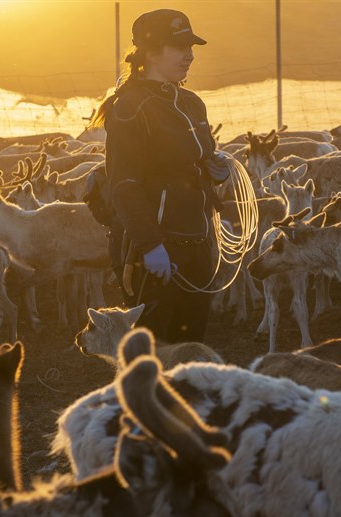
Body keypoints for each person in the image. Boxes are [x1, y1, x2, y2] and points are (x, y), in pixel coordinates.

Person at [87, 9, 222, 343]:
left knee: (190, 349)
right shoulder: (130, 107)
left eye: (191, 46)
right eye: (179, 47)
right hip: (156, 252)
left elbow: (189, 165)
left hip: (198, 243)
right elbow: (124, 184)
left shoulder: (191, 104)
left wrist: (212, 171)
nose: (190, 55)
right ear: (150, 52)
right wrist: (151, 247)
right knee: (153, 351)